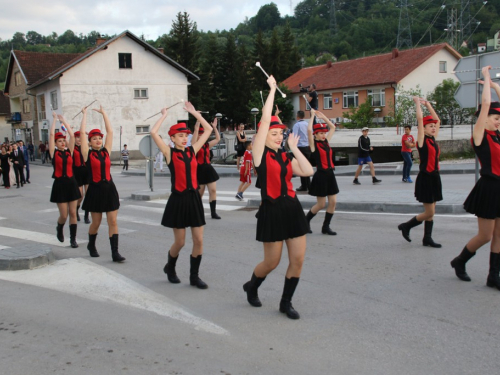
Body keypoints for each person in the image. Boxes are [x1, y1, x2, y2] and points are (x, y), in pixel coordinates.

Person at [243, 75, 314, 320]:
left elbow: (308, 171)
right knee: (272, 262)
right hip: (271, 210)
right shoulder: (259, 156)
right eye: (273, 133)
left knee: (298, 259)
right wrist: (272, 89)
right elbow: (264, 121)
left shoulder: (285, 156)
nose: (277, 136)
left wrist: (294, 148)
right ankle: (252, 286)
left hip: (292, 209)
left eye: (279, 134)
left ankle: (286, 302)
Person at [150, 103, 214, 289]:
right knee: (180, 242)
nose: (184, 138)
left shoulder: (192, 150)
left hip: (194, 199)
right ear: (172, 138)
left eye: (185, 135)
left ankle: (194, 277)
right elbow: (154, 133)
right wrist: (163, 114)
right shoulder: (169, 153)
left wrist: (194, 113)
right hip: (178, 200)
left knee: (199, 240)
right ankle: (170, 267)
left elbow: (208, 129)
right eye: (180, 135)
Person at [451, 66, 500, 288]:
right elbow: (487, 105)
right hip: (489, 187)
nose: (497, 120)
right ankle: (460, 261)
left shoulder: (498, 136)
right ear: (484, 118)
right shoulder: (480, 136)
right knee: (486, 235)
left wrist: (494, 86)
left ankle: (493, 277)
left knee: (499, 235)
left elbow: (494, 105)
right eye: (494, 117)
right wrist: (487, 76)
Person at [80, 106, 125, 262]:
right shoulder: (87, 153)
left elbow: (110, 132)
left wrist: (104, 113)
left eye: (99, 137)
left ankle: (115, 252)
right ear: (90, 142)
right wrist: (85, 114)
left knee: (112, 221)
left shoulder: (106, 151)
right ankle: (91, 245)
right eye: (94, 138)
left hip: (109, 189)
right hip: (95, 190)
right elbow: (81, 132)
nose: (98, 140)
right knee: (96, 223)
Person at [397, 97, 442, 248]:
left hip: (435, 177)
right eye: (430, 126)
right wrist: (418, 104)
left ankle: (427, 238)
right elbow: (419, 119)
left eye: (434, 126)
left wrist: (428, 105)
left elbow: (438, 120)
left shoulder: (433, 139)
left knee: (432, 211)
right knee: (429, 212)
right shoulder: (422, 141)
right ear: (425, 128)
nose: (434, 128)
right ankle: (406, 226)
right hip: (426, 178)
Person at [49, 112, 81, 248]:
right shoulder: (53, 153)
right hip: (60, 185)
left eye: (63, 141)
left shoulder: (70, 152)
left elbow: (72, 135)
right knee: (64, 214)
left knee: (73, 212)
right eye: (59, 141)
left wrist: (64, 120)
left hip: (71, 183)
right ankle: (59, 227)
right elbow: (51, 135)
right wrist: (55, 119)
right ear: (56, 143)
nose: (62, 143)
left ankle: (73, 239)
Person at [304, 109, 339, 235]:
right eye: (320, 133)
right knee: (321, 204)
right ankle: (305, 221)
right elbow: (309, 131)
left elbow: (333, 127)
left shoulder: (326, 142)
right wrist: (312, 116)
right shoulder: (314, 145)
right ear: (315, 135)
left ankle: (326, 227)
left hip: (330, 174)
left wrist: (322, 116)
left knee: (333, 202)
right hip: (321, 175)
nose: (324, 135)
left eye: (324, 132)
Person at [192, 118, 221, 219]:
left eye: (202, 134)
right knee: (200, 193)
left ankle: (213, 212)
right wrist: (198, 121)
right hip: (199, 170)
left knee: (213, 191)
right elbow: (195, 134)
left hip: (208, 169)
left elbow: (218, 139)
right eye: (200, 134)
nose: (201, 136)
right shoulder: (195, 145)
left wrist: (214, 127)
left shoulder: (207, 145)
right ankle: (197, 212)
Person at [70, 130, 90, 224]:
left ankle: (86, 215)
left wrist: (88, 134)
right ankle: (77, 210)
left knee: (89, 194)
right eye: (77, 137)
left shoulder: (85, 147)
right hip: (77, 172)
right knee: (80, 196)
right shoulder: (72, 148)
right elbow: (68, 140)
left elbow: (94, 141)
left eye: (80, 137)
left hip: (86, 172)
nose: (79, 139)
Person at [292, 110, 312, 192]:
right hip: (307, 147)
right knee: (306, 166)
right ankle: (309, 185)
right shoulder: (307, 124)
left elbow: (294, 136)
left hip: (300, 147)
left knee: (301, 167)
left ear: (297, 116)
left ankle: (304, 185)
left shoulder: (297, 125)